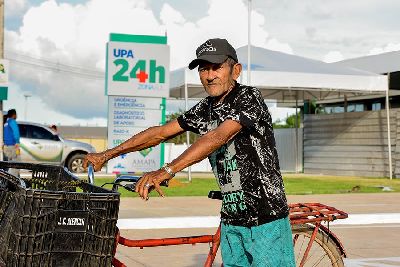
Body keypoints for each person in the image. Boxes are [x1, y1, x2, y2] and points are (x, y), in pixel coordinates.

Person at [84, 38, 295, 266]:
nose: (210, 75)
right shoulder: (206, 108)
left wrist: (168, 169)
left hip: (265, 218)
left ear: (236, 70)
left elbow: (217, 136)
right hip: (232, 220)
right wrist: (106, 155)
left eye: (217, 67)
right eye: (204, 69)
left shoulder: (248, 97)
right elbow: (161, 133)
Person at [3, 109, 21, 177]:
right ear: (14, 115)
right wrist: (17, 142)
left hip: (7, 146)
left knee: (10, 163)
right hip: (13, 146)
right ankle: (14, 179)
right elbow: (16, 133)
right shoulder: (12, 122)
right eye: (16, 114)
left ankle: (9, 178)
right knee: (17, 163)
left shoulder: (6, 123)